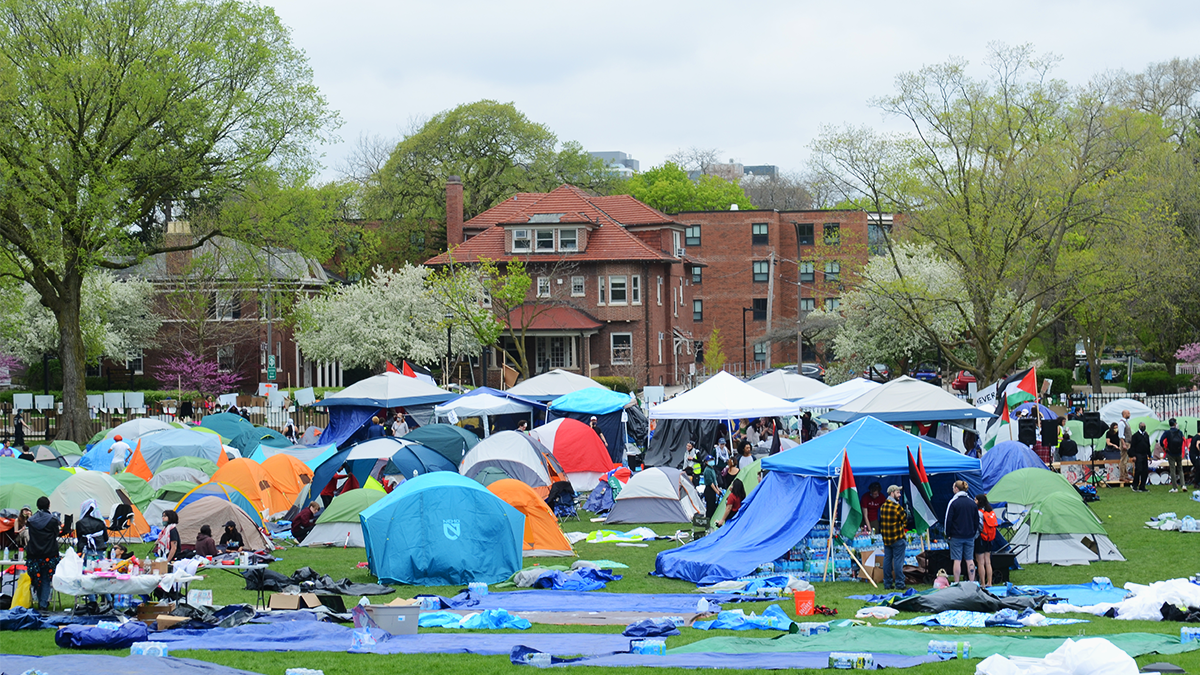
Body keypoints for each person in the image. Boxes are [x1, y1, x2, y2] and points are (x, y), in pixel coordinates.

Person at [27, 496, 71, 610]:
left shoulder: (31, 521)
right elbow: (56, 534)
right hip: (49, 554)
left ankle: (40, 601)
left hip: (34, 554)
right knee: (46, 578)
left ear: (37, 506)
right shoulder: (52, 520)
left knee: (37, 579)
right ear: (49, 505)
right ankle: (43, 603)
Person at [944, 480, 978, 583]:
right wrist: (973, 533)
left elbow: (948, 520)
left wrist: (948, 534)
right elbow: (976, 520)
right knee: (970, 559)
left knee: (957, 560)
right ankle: (972, 582)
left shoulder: (953, 502)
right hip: (969, 536)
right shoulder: (972, 503)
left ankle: (957, 582)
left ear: (956, 489)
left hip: (956, 536)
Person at [878, 485, 908, 591]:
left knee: (887, 561)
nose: (899, 495)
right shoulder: (897, 507)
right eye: (898, 492)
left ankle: (887, 583)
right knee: (898, 562)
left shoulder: (883, 507)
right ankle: (899, 583)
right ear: (892, 493)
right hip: (897, 538)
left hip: (887, 539)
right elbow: (905, 521)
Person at [974, 494, 997, 587]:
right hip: (989, 538)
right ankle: (990, 582)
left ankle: (983, 583)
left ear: (979, 501)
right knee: (988, 562)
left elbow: (978, 526)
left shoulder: (979, 512)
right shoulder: (990, 512)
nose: (974, 501)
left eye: (975, 500)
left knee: (980, 562)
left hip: (980, 538)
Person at [1162, 418, 1186, 492]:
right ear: (1175, 424)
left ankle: (1175, 487)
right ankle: (1183, 485)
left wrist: (1165, 448)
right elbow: (1183, 440)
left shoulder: (1167, 432)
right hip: (1178, 453)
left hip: (1170, 453)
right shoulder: (1180, 432)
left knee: (1172, 470)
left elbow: (1161, 440)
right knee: (1180, 469)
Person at [1129, 422, 1151, 492]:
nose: (1143, 427)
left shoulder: (1146, 435)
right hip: (1138, 455)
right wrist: (1133, 456)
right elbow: (1132, 446)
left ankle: (1142, 486)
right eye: (1142, 426)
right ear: (1139, 427)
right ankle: (1134, 485)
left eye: (1144, 426)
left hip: (1144, 455)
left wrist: (1149, 455)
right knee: (1139, 470)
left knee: (1145, 471)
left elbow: (1148, 446)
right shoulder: (1135, 436)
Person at [701, 455, 720, 519]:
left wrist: (718, 489)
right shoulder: (707, 470)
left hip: (713, 489)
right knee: (710, 506)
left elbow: (715, 480)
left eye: (712, 460)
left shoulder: (712, 469)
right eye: (710, 460)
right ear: (706, 462)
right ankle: (708, 519)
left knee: (713, 505)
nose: (711, 462)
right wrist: (716, 491)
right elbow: (710, 482)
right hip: (709, 489)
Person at [1118, 410, 1133, 483]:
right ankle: (1122, 476)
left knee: (1126, 460)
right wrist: (1123, 444)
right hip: (1125, 442)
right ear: (1124, 414)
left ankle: (1126, 475)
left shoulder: (1126, 422)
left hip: (1128, 442)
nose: (1129, 414)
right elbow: (1121, 435)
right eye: (1128, 413)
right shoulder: (1121, 423)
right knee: (1123, 460)